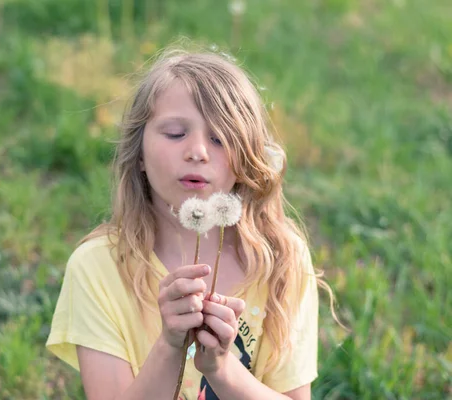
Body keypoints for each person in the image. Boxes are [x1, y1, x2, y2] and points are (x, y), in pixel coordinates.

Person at [46, 48, 335, 400]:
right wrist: (170, 344)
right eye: (174, 133)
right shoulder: (98, 267)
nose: (197, 151)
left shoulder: (281, 262)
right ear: (138, 153)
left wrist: (222, 369)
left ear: (245, 157)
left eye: (219, 138)